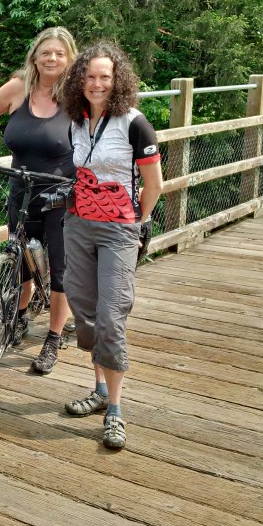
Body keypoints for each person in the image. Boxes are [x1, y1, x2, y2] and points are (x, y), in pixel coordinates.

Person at [61, 41, 163, 449]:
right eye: (90, 76)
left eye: (105, 77)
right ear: (80, 81)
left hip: (119, 229)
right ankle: (99, 389)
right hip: (79, 224)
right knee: (84, 308)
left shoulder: (134, 123)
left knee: (112, 313)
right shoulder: (76, 121)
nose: (97, 83)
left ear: (117, 79)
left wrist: (137, 222)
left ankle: (116, 410)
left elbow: (153, 183)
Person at [0, 27, 77, 374]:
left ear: (69, 58)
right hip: (20, 188)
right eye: (46, 52)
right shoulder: (18, 89)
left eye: (60, 53)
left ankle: (53, 339)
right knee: (21, 260)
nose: (52, 59)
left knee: (60, 272)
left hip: (61, 194)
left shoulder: (76, 97)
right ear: (35, 56)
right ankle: (19, 314)